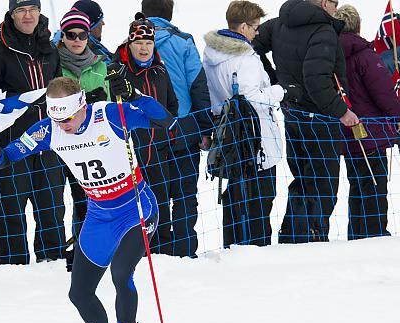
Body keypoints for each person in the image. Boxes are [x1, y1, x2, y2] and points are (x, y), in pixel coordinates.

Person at [0, 75, 174, 323]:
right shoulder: (50, 129)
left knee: (122, 274)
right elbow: (12, 153)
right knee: (80, 293)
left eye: (68, 118)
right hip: (99, 216)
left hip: (135, 210)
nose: (63, 125)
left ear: (82, 105)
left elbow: (164, 121)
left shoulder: (108, 113)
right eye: (57, 118)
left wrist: (135, 94)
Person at [254, 0, 359, 243]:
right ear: (324, 3)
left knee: (303, 179)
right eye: (335, 3)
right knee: (323, 185)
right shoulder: (323, 30)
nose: (336, 8)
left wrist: (279, 84)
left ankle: (294, 237)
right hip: (319, 118)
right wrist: (342, 111)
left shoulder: (279, 23)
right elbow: (316, 81)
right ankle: (312, 240)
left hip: (293, 114)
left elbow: (253, 45)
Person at [0, 0, 66, 265]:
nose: (28, 15)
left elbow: (60, 91)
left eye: (32, 9)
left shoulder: (50, 48)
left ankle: (52, 261)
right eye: (21, 10)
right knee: (12, 210)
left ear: (39, 12)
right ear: (12, 14)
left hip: (49, 142)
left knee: (52, 208)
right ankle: (13, 268)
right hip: (13, 145)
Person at [203, 1, 284, 247]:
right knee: (261, 197)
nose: (257, 32)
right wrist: (279, 92)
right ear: (242, 26)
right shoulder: (244, 58)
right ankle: (257, 250)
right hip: (255, 137)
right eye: (254, 27)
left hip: (228, 134)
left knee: (237, 195)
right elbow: (251, 99)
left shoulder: (212, 54)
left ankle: (233, 245)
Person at [142, 0, 211, 257]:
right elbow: (197, 86)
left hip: (148, 130)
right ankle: (184, 249)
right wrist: (206, 129)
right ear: (170, 13)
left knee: (155, 192)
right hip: (184, 127)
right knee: (184, 194)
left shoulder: (134, 45)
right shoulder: (183, 42)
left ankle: (157, 250)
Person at [110, 13, 178, 255]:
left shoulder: (159, 70)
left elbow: (173, 107)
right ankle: (129, 255)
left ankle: (162, 255)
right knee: (130, 210)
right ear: (129, 43)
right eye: (139, 43)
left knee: (160, 204)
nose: (144, 48)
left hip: (157, 150)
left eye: (149, 43)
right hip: (127, 154)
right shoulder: (116, 70)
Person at [335, 5, 400, 240]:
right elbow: (384, 94)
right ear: (358, 25)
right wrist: (397, 114)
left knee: (358, 186)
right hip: (371, 134)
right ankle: (374, 234)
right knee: (374, 186)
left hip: (346, 131)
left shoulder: (329, 54)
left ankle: (357, 234)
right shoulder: (365, 55)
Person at [56, 7, 109, 267]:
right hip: (60, 144)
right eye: (71, 34)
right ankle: (55, 255)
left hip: (90, 146)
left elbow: (110, 105)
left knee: (87, 200)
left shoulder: (99, 65)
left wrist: (101, 103)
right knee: (56, 201)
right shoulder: (54, 63)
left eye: (82, 34)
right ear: (62, 36)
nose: (77, 40)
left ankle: (87, 250)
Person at [52, 0, 113, 65]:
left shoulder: (56, 44)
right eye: (100, 21)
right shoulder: (84, 49)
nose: (103, 23)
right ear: (91, 26)